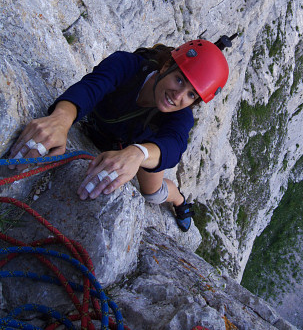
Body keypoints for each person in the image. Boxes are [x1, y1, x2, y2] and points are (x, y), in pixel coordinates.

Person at [9, 38, 232, 232]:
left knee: (153, 194)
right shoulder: (128, 65)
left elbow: (173, 144)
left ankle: (179, 200)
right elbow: (92, 86)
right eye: (180, 80)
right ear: (166, 66)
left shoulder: (181, 117)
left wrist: (137, 153)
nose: (179, 96)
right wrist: (61, 119)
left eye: (191, 94)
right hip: (108, 133)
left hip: (135, 149)